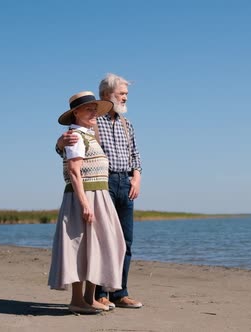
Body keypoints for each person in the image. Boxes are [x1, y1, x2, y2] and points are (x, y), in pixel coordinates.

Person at [56, 73, 143, 309]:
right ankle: (98, 295)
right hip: (98, 185)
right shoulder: (95, 122)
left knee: (122, 240)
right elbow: (72, 146)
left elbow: (135, 154)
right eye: (121, 94)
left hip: (123, 184)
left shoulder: (127, 124)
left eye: (126, 94)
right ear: (107, 95)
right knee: (97, 240)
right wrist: (60, 143)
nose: (125, 98)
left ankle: (119, 292)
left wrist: (137, 176)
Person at [48, 91, 126, 315]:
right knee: (81, 246)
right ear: (76, 113)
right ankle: (77, 300)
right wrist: (84, 204)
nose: (93, 113)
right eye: (88, 109)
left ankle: (89, 297)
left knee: (101, 245)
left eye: (95, 109)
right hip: (85, 196)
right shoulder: (75, 137)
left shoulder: (89, 135)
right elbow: (74, 172)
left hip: (100, 196)